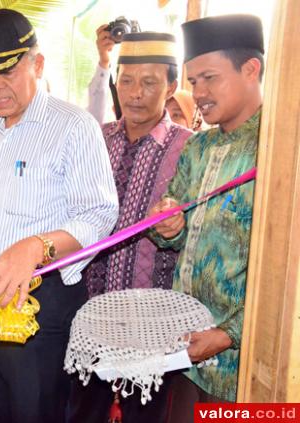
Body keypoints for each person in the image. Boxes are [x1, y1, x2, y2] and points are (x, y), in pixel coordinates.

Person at [0, 9, 118, 422]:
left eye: (7, 70)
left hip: (40, 306)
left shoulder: (73, 126)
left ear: (37, 64)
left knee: (36, 413)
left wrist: (37, 247)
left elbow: (98, 213)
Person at [70, 32, 193, 423]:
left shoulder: (190, 149)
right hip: (90, 316)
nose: (135, 93)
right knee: (82, 412)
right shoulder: (96, 140)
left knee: (146, 416)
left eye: (150, 82)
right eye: (126, 80)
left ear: (171, 86)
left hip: (153, 325)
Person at [148, 14, 265, 421]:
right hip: (185, 350)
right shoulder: (198, 148)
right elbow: (173, 226)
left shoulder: (280, 147)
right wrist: (166, 225)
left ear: (251, 69)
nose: (197, 93)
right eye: (192, 81)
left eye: (209, 78)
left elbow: (288, 274)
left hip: (243, 366)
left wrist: (228, 333)